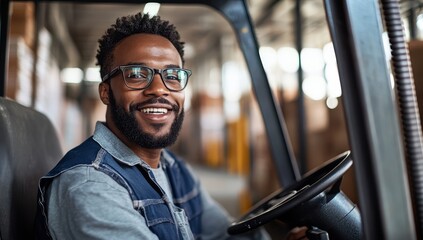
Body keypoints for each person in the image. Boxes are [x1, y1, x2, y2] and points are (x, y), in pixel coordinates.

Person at [35, 12, 272, 240]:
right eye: (137, 74)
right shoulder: (89, 185)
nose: (159, 88)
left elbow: (223, 234)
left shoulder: (173, 167)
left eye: (172, 75)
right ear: (106, 92)